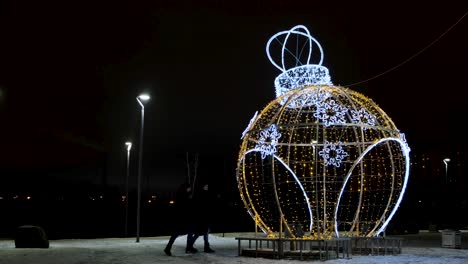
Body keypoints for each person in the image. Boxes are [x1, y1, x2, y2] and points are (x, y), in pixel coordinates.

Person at [164, 182, 198, 256]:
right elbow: (183, 206)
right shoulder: (183, 195)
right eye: (189, 188)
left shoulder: (182, 194)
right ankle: (168, 248)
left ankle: (188, 247)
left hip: (184, 218)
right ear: (186, 188)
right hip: (182, 218)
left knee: (189, 231)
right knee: (176, 233)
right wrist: (189, 199)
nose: (190, 189)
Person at [186, 182, 215, 253]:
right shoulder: (202, 195)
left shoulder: (203, 194)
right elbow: (203, 207)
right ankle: (191, 246)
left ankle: (205, 247)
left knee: (203, 232)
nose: (207, 187)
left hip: (203, 217)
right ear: (203, 187)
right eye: (206, 185)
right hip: (203, 218)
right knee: (200, 233)